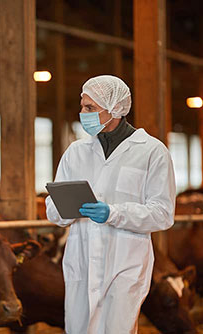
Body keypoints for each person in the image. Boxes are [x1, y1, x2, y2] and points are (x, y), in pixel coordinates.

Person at [45, 75, 176, 333]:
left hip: (125, 263)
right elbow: (52, 207)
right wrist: (63, 207)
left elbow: (162, 213)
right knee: (79, 328)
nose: (83, 113)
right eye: (83, 106)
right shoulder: (76, 152)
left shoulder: (151, 151)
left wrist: (113, 213)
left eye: (90, 108)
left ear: (115, 109)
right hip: (81, 261)